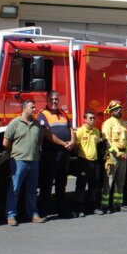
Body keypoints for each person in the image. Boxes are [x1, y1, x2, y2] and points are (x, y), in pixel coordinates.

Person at [3, 99, 46, 225]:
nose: (34, 109)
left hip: (34, 161)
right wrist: (16, 153)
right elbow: (6, 143)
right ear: (24, 108)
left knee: (32, 190)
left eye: (34, 107)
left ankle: (33, 214)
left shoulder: (37, 124)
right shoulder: (15, 123)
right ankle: (11, 216)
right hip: (18, 162)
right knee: (15, 189)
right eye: (32, 107)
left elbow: (39, 141)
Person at [37, 90, 76, 219]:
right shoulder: (43, 114)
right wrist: (63, 144)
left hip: (64, 154)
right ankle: (43, 211)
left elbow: (71, 129)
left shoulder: (64, 113)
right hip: (51, 154)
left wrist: (72, 142)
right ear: (47, 100)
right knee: (46, 184)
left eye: (56, 99)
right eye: (52, 99)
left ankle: (62, 210)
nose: (54, 101)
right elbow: (47, 134)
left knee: (61, 183)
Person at [100, 99, 127, 214]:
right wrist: (117, 153)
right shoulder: (108, 123)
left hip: (123, 155)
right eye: (116, 110)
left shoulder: (123, 123)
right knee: (108, 181)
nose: (119, 111)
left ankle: (118, 204)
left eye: (119, 109)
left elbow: (126, 140)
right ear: (111, 112)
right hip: (113, 156)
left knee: (120, 181)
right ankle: (104, 205)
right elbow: (107, 142)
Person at [74, 110, 102, 216]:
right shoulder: (80, 131)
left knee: (94, 185)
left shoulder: (96, 131)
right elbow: (76, 147)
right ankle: (79, 209)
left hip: (94, 162)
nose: (93, 120)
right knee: (81, 186)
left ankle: (93, 207)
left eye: (94, 118)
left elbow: (98, 145)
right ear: (85, 119)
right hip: (83, 162)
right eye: (90, 118)